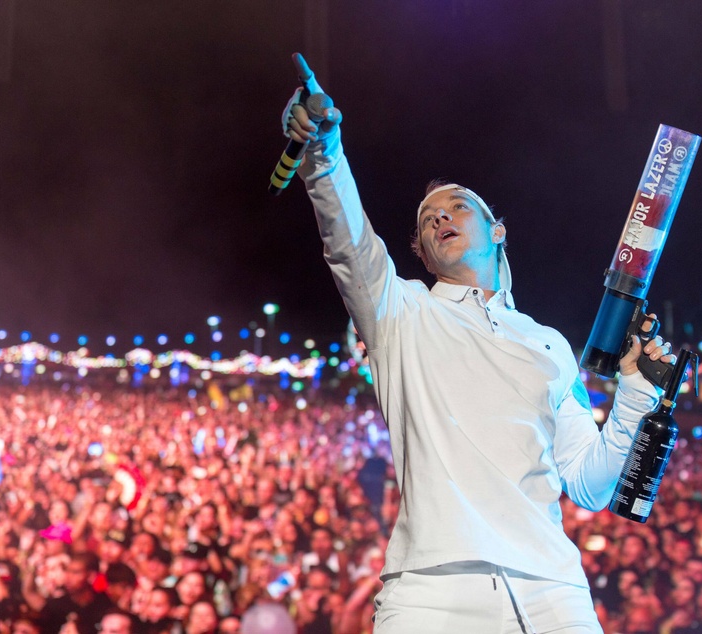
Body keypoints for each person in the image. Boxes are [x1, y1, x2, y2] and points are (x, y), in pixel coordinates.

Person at [282, 53, 675, 633]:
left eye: (457, 206)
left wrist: (637, 394)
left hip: (553, 593)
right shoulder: (401, 313)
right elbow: (349, 244)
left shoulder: (548, 345)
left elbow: (591, 485)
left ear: (497, 231)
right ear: (420, 251)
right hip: (432, 590)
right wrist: (323, 154)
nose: (440, 218)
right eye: (426, 220)